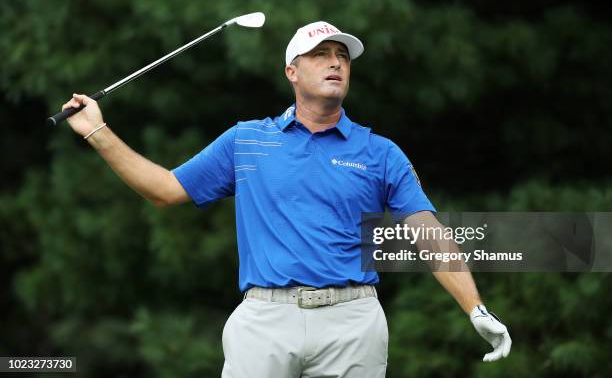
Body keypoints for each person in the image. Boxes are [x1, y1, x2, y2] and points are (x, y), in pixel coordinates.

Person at [61, 21, 511, 377]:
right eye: (320, 55)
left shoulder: (379, 151)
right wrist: (97, 132)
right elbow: (164, 190)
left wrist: (475, 307)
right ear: (291, 72)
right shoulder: (247, 140)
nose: (335, 63)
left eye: (342, 57)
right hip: (264, 320)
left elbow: (427, 234)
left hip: (353, 322)